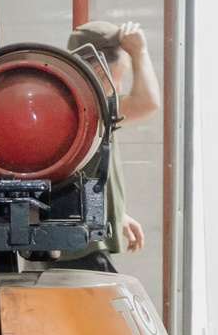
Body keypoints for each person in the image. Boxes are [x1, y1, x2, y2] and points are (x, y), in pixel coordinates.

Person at [51, 18, 160, 272]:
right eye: (120, 78)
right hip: (83, 250)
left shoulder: (71, 101)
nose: (119, 88)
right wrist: (139, 52)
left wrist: (114, 212)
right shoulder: (88, 102)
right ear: (101, 72)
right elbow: (148, 102)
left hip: (76, 247)